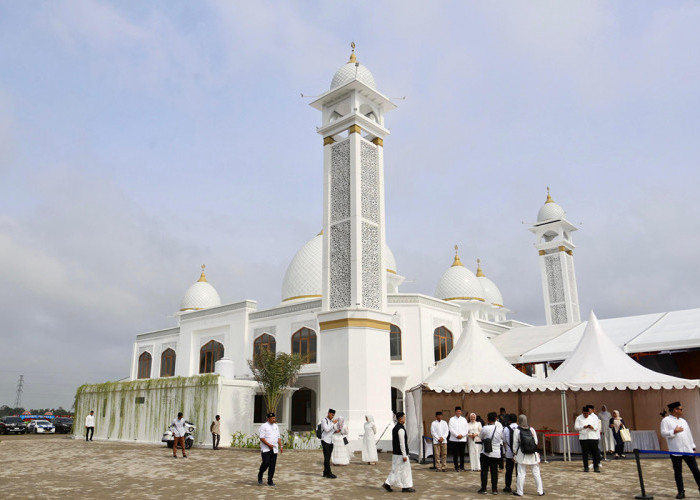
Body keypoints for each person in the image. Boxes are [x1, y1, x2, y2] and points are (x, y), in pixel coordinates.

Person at [661, 401, 700, 499]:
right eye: (681, 409)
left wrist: (693, 447)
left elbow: (689, 434)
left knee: (695, 470)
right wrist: (674, 431)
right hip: (676, 450)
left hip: (687, 449)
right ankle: (681, 491)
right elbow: (663, 433)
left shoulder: (683, 421)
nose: (682, 411)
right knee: (678, 472)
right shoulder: (666, 420)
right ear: (675, 410)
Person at [382, 412, 416, 493]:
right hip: (401, 454)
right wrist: (404, 455)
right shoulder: (400, 429)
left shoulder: (395, 428)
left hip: (396, 454)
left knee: (396, 470)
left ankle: (391, 484)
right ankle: (404, 486)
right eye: (404, 417)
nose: (405, 419)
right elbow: (402, 443)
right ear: (400, 419)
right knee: (404, 471)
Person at [512, 414, 544, 496]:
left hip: (522, 454)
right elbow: (536, 442)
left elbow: (515, 444)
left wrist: (515, 453)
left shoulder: (517, 430)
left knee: (521, 473)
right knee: (536, 473)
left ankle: (520, 491)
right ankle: (540, 491)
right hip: (533, 454)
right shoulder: (532, 429)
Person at [478, 411, 503, 494]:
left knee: (484, 471)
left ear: (487, 419)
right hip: (496, 453)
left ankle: (484, 488)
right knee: (494, 472)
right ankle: (494, 489)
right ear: (496, 419)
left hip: (486, 452)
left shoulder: (485, 428)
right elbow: (502, 439)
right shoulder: (500, 429)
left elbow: (480, 437)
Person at [258, 412, 282, 486]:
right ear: (268, 419)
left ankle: (270, 480)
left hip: (274, 449)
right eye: (272, 418)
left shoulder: (276, 426)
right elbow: (261, 438)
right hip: (266, 449)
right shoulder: (264, 426)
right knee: (266, 463)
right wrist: (268, 445)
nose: (274, 419)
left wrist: (281, 446)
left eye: (274, 418)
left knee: (272, 465)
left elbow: (278, 437)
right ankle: (260, 474)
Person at [574, 406, 600, 472]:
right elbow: (576, 427)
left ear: (589, 412)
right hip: (583, 438)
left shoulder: (593, 418)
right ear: (582, 412)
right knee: (585, 453)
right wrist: (583, 427)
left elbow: (597, 427)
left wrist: (592, 427)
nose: (586, 415)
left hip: (593, 437)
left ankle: (596, 467)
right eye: (584, 413)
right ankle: (586, 467)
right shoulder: (579, 418)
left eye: (587, 413)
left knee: (595, 453)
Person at [449, 406, 468, 471]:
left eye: (459, 411)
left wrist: (462, 435)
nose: (458, 412)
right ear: (455, 412)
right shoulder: (451, 419)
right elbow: (451, 429)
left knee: (462, 454)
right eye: (457, 411)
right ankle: (456, 466)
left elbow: (466, 429)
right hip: (454, 439)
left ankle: (462, 466)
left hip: (462, 439)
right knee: (455, 454)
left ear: (461, 412)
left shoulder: (464, 419)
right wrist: (457, 435)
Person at [502, 413, 518, 492]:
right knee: (519, 471)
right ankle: (519, 487)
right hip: (518, 453)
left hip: (509, 452)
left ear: (509, 420)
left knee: (509, 471)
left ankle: (508, 486)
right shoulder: (520, 427)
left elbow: (504, 440)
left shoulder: (506, 428)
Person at [320, 409, 338, 478]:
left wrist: (336, 430)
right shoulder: (324, 420)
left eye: (333, 415)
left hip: (331, 441)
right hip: (325, 440)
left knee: (328, 457)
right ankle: (329, 473)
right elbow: (327, 429)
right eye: (331, 415)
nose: (332, 416)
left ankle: (325, 472)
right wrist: (333, 423)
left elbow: (332, 431)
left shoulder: (331, 421)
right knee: (326, 458)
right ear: (328, 413)